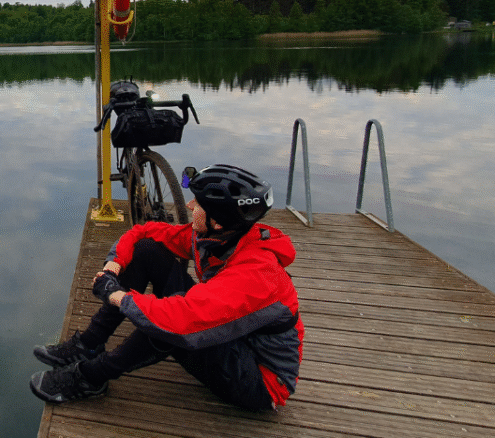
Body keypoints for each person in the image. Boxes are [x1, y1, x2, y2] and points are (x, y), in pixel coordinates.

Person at [29, 164, 303, 411]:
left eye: (199, 204)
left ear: (217, 221)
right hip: (233, 336)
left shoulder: (258, 273)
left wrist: (116, 296)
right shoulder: (220, 238)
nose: (190, 205)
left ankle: (90, 377)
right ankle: (89, 345)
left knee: (168, 322)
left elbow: (181, 320)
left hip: (259, 380)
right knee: (148, 250)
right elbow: (143, 233)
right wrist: (114, 264)